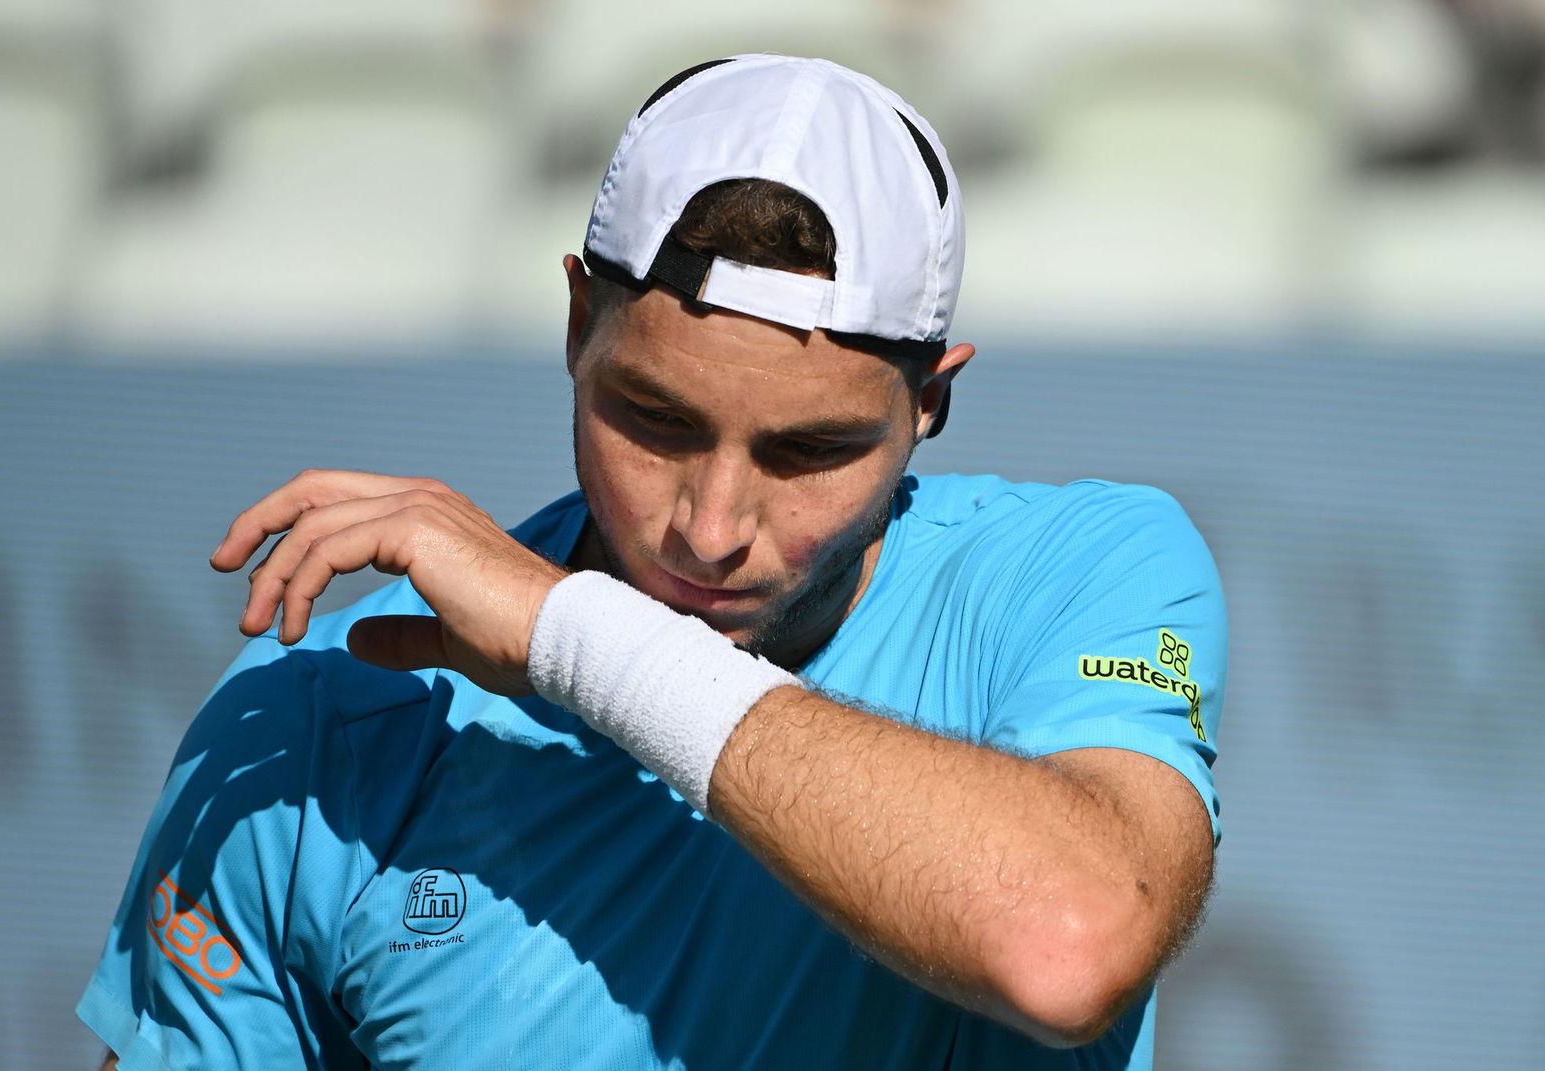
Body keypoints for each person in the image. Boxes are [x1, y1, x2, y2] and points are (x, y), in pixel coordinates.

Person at [79, 54, 1224, 1069]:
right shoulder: (314, 717)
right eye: (656, 421)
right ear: (577, 324)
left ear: (929, 401)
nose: (711, 528)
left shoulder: (1084, 569)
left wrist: (573, 637)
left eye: (808, 451)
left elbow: (1066, 948)